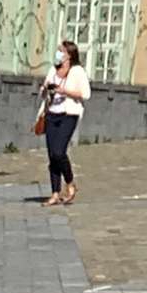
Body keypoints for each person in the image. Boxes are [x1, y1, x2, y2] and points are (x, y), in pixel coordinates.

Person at [38, 38, 89, 207]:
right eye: (58, 50)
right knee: (52, 155)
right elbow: (43, 94)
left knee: (59, 152)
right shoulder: (53, 69)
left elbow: (85, 94)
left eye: (61, 51)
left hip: (69, 114)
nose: (58, 53)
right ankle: (55, 193)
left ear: (69, 55)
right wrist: (45, 89)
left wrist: (64, 91)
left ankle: (70, 181)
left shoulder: (77, 71)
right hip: (51, 113)